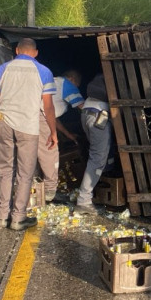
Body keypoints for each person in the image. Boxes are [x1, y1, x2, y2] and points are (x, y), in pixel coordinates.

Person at [0, 38, 57, 230]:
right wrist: (53, 132)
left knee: (6, 170)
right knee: (25, 173)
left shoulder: (2, 69)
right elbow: (48, 106)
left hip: (4, 124)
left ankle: (1, 217)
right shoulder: (44, 72)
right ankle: (18, 218)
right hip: (28, 127)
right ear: (35, 53)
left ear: (17, 51)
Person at [72, 73, 112, 215]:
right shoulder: (116, 76)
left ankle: (89, 195)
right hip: (99, 116)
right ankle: (84, 201)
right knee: (97, 158)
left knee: (97, 157)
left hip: (88, 113)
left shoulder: (100, 78)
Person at [53, 69, 84, 144]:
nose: (76, 88)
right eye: (76, 85)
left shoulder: (54, 82)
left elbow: (52, 118)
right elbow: (85, 108)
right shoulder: (67, 84)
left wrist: (68, 134)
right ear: (72, 79)